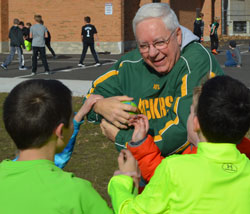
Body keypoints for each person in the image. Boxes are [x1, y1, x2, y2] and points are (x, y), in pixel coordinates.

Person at [84, 3, 224, 158]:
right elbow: (90, 99)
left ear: (177, 35)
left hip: (191, 174)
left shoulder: (197, 62)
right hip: (145, 172)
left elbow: (183, 132)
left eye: (159, 43)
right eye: (143, 45)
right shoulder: (130, 64)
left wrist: (124, 140)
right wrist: (100, 106)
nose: (152, 53)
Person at [108, 75, 250, 214]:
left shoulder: (174, 169)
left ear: (196, 123)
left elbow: (128, 211)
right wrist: (141, 142)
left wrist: (122, 180)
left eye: (190, 112)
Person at [0, 79, 112, 214]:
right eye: (72, 117)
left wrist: (79, 115)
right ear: (59, 131)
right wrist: (125, 184)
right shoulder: (77, 193)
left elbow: (42, 166)